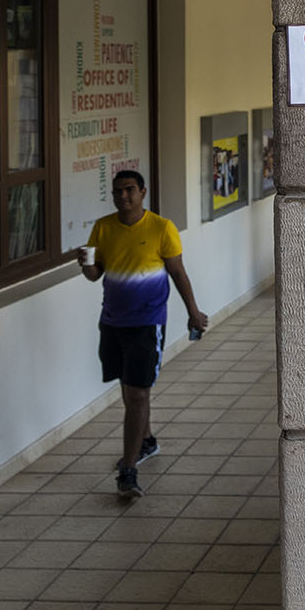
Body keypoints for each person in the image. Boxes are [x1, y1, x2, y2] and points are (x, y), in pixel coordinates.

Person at [80, 169, 211, 500]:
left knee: (136, 395)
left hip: (147, 323)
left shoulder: (161, 228)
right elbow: (96, 275)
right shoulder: (103, 227)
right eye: (117, 192)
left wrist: (193, 312)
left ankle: (128, 469)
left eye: (129, 190)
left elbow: (177, 272)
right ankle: (147, 441)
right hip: (112, 322)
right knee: (130, 391)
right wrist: (84, 264)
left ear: (143, 192)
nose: (123, 196)